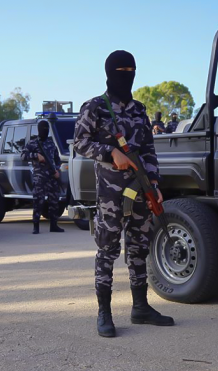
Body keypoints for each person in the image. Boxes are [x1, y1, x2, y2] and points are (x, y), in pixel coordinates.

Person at [74, 50, 174, 338]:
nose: (127, 74)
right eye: (122, 70)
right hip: (111, 193)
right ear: (109, 73)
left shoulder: (139, 109)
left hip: (141, 190)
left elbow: (149, 150)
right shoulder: (95, 107)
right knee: (107, 250)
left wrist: (154, 182)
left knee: (139, 247)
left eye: (132, 69)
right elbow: (79, 142)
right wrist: (110, 151)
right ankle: (104, 313)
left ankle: (140, 307)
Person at [21, 121, 64, 234]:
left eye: (46, 128)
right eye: (43, 128)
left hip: (52, 177)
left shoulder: (51, 143)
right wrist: (36, 156)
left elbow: (57, 159)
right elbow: (23, 156)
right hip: (39, 178)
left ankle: (54, 225)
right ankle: (36, 226)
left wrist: (57, 170)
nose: (45, 130)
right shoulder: (32, 143)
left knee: (54, 201)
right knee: (38, 202)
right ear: (39, 129)